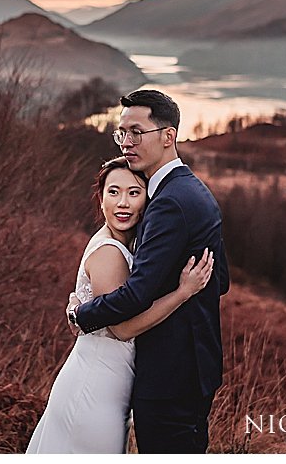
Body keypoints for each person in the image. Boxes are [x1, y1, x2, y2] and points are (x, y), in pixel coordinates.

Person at [68, 89, 230, 453]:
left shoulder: (170, 202)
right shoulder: (192, 190)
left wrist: (82, 312)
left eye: (136, 132)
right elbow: (220, 281)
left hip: (171, 373)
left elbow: (138, 294)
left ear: (168, 136)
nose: (127, 141)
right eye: (121, 133)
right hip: (189, 367)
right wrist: (183, 288)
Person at [27, 157, 214, 454]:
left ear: (147, 201)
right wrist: (183, 292)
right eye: (113, 192)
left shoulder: (131, 245)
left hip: (110, 386)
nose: (122, 203)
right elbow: (123, 328)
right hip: (93, 389)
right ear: (100, 199)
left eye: (134, 192)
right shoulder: (110, 252)